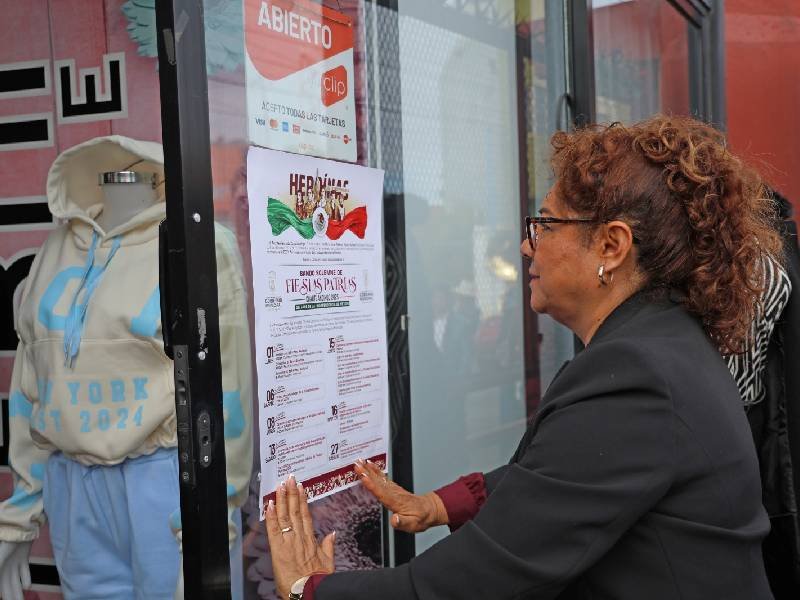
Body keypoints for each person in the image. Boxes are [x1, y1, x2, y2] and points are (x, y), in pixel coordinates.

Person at [264, 115, 779, 599]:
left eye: (545, 225)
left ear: (611, 246)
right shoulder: (661, 343)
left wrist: (308, 590)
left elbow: (477, 579)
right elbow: (568, 478)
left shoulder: (636, 375)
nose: (527, 247)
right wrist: (440, 505)